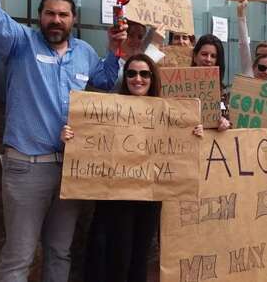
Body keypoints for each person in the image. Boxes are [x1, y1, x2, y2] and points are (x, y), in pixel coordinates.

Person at [0, 0, 126, 282]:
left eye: (63, 14)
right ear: (40, 16)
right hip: (27, 168)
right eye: (50, 13)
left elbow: (101, 82)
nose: (56, 20)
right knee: (19, 257)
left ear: (73, 19)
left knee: (60, 252)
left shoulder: (84, 53)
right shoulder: (20, 44)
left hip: (71, 170)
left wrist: (115, 51)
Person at [62, 54, 204, 282]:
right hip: (117, 197)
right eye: (131, 73)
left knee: (140, 255)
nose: (138, 79)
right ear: (125, 77)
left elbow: (179, 142)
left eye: (144, 74)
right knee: (118, 257)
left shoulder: (167, 110)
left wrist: (193, 133)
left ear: (152, 78)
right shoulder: (110, 109)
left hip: (150, 197)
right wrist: (70, 134)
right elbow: (88, 136)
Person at [192, 34, 231, 131]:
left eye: (213, 56)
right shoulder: (179, 85)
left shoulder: (224, 94)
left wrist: (225, 123)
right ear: (195, 57)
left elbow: (230, 121)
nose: (208, 59)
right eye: (204, 54)